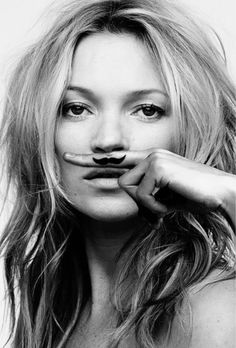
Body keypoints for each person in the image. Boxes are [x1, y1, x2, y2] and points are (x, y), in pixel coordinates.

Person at [0, 0, 235, 347]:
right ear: (41, 129)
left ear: (190, 130)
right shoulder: (50, 318)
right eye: (77, 108)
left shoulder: (217, 310)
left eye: (147, 110)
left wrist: (231, 195)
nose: (109, 140)